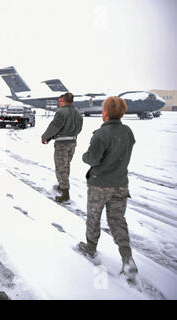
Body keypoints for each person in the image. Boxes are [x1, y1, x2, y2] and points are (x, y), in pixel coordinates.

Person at [78, 96, 138, 281]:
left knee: (94, 217)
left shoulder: (101, 134)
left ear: (105, 113)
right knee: (118, 221)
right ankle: (127, 258)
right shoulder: (128, 132)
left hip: (100, 185)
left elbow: (93, 159)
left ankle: (90, 246)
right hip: (120, 184)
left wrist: (85, 156)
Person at [41, 92, 83, 202]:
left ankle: (65, 193)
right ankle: (62, 185)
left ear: (64, 101)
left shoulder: (61, 112)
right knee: (66, 166)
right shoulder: (78, 113)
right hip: (72, 144)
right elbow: (79, 129)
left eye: (60, 101)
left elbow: (54, 127)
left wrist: (45, 137)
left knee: (61, 168)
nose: (59, 103)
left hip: (62, 145)